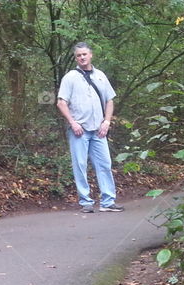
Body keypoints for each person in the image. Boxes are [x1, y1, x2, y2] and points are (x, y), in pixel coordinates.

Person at [56, 42, 124, 213]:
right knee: (80, 165)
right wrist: (72, 122)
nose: (82, 57)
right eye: (79, 55)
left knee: (105, 164)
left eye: (84, 54)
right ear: (75, 57)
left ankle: (108, 202)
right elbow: (61, 102)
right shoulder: (70, 77)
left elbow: (109, 100)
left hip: (98, 130)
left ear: (91, 55)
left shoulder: (100, 75)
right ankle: (86, 201)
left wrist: (107, 122)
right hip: (79, 130)